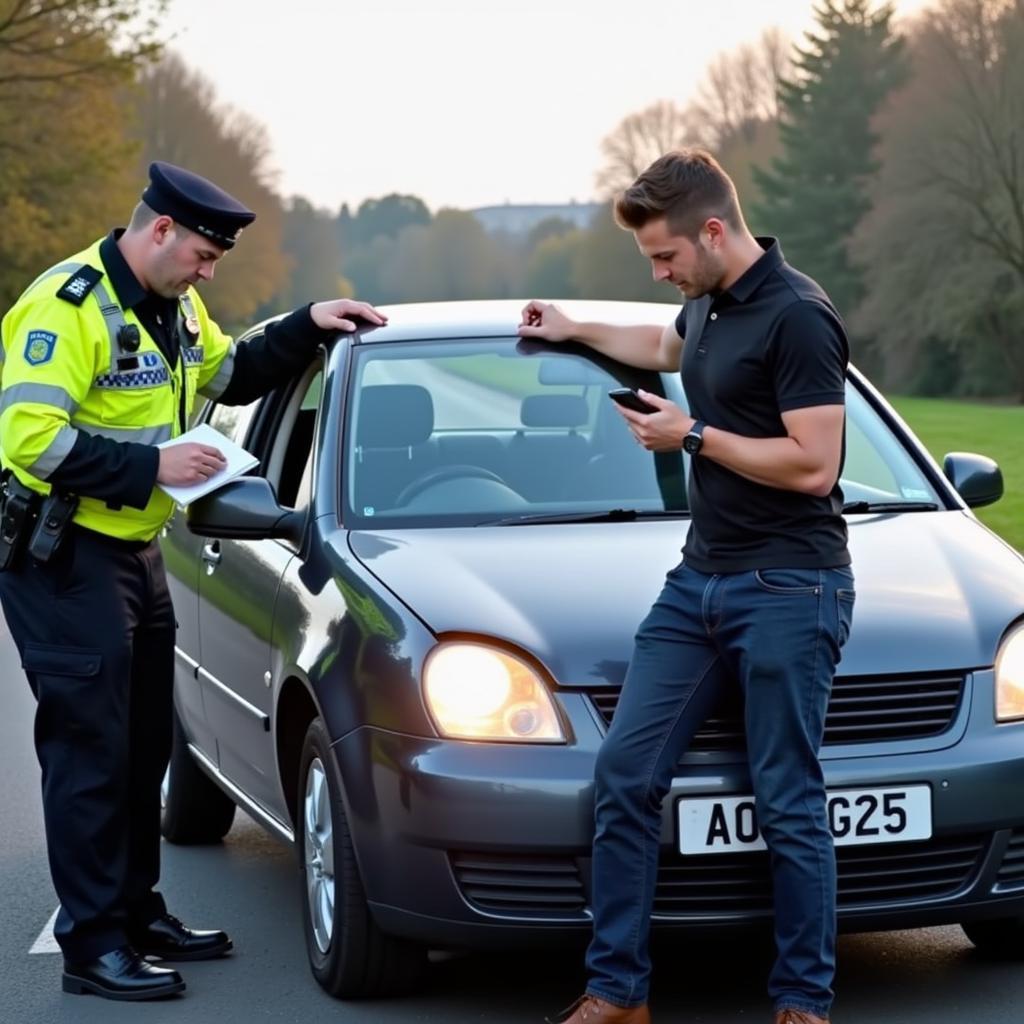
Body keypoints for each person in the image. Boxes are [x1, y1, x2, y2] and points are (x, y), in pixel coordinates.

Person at [0, 161, 386, 1001]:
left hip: (134, 554)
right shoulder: (65, 307)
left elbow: (230, 373)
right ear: (160, 231)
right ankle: (92, 948)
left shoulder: (174, 305)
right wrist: (154, 463)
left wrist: (309, 324)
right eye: (204, 255)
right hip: (65, 560)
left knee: (142, 751)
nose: (210, 273)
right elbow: (28, 439)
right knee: (89, 754)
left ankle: (137, 915)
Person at [518, 149, 855, 1024]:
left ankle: (803, 1003)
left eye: (666, 258)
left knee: (788, 798)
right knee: (625, 775)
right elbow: (661, 345)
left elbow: (817, 465)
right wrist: (571, 326)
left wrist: (692, 437)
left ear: (714, 230)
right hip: (699, 582)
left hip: (790, 584)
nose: (662, 276)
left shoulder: (800, 316)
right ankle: (620, 992)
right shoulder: (704, 303)